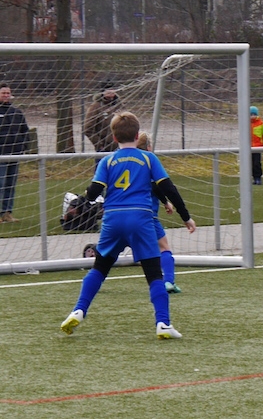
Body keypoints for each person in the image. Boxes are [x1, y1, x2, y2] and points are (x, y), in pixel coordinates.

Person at [60, 111, 197, 339]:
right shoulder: (148, 159)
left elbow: (94, 192)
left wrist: (83, 198)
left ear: (114, 137)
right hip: (140, 218)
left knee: (100, 268)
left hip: (112, 219)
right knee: (153, 273)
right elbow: (168, 188)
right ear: (137, 135)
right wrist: (185, 217)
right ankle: (163, 323)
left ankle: (78, 310)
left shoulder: (107, 161)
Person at [136, 132, 183, 294]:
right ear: (149, 147)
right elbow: (157, 185)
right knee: (164, 247)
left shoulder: (126, 162)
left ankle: (93, 278)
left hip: (122, 215)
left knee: (109, 254)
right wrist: (167, 202)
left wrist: (164, 202)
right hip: (146, 216)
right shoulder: (149, 161)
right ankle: (168, 281)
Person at [0, 83, 29, 223]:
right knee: (0, 183)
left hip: (14, 154)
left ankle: (7, 213)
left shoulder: (16, 112)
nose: (6, 95)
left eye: (8, 93)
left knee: (10, 184)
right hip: (1, 155)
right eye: (3, 93)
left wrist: (23, 146)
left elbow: (25, 131)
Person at [85, 81, 123, 154]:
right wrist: (99, 145)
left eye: (113, 90)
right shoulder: (95, 107)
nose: (111, 93)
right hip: (104, 149)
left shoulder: (119, 105)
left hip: (120, 147)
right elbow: (88, 128)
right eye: (108, 91)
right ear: (102, 92)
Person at [250, 106, 263, 185]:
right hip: (249, 147)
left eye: (254, 114)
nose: (252, 116)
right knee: (250, 163)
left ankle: (258, 177)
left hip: (258, 147)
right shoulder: (246, 123)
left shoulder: (261, 123)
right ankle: (254, 178)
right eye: (251, 114)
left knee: (257, 163)